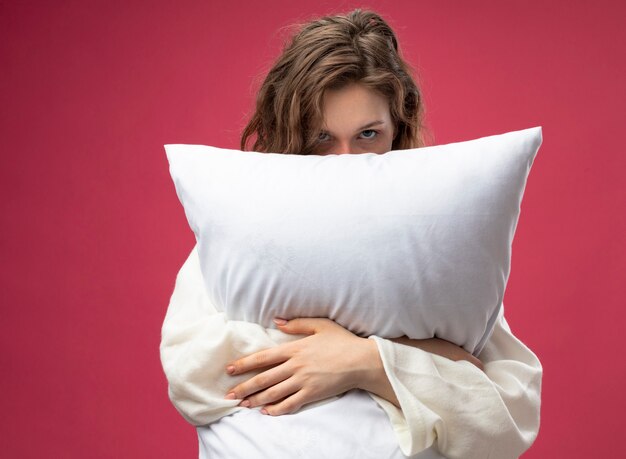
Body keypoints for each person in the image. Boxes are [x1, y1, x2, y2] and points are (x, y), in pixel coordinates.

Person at [160, 9, 542, 459]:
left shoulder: (433, 247)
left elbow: (505, 417)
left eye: (367, 134)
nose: (346, 160)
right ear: (291, 136)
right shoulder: (243, 239)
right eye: (321, 137)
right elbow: (192, 373)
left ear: (397, 131)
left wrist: (366, 361)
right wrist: (424, 351)